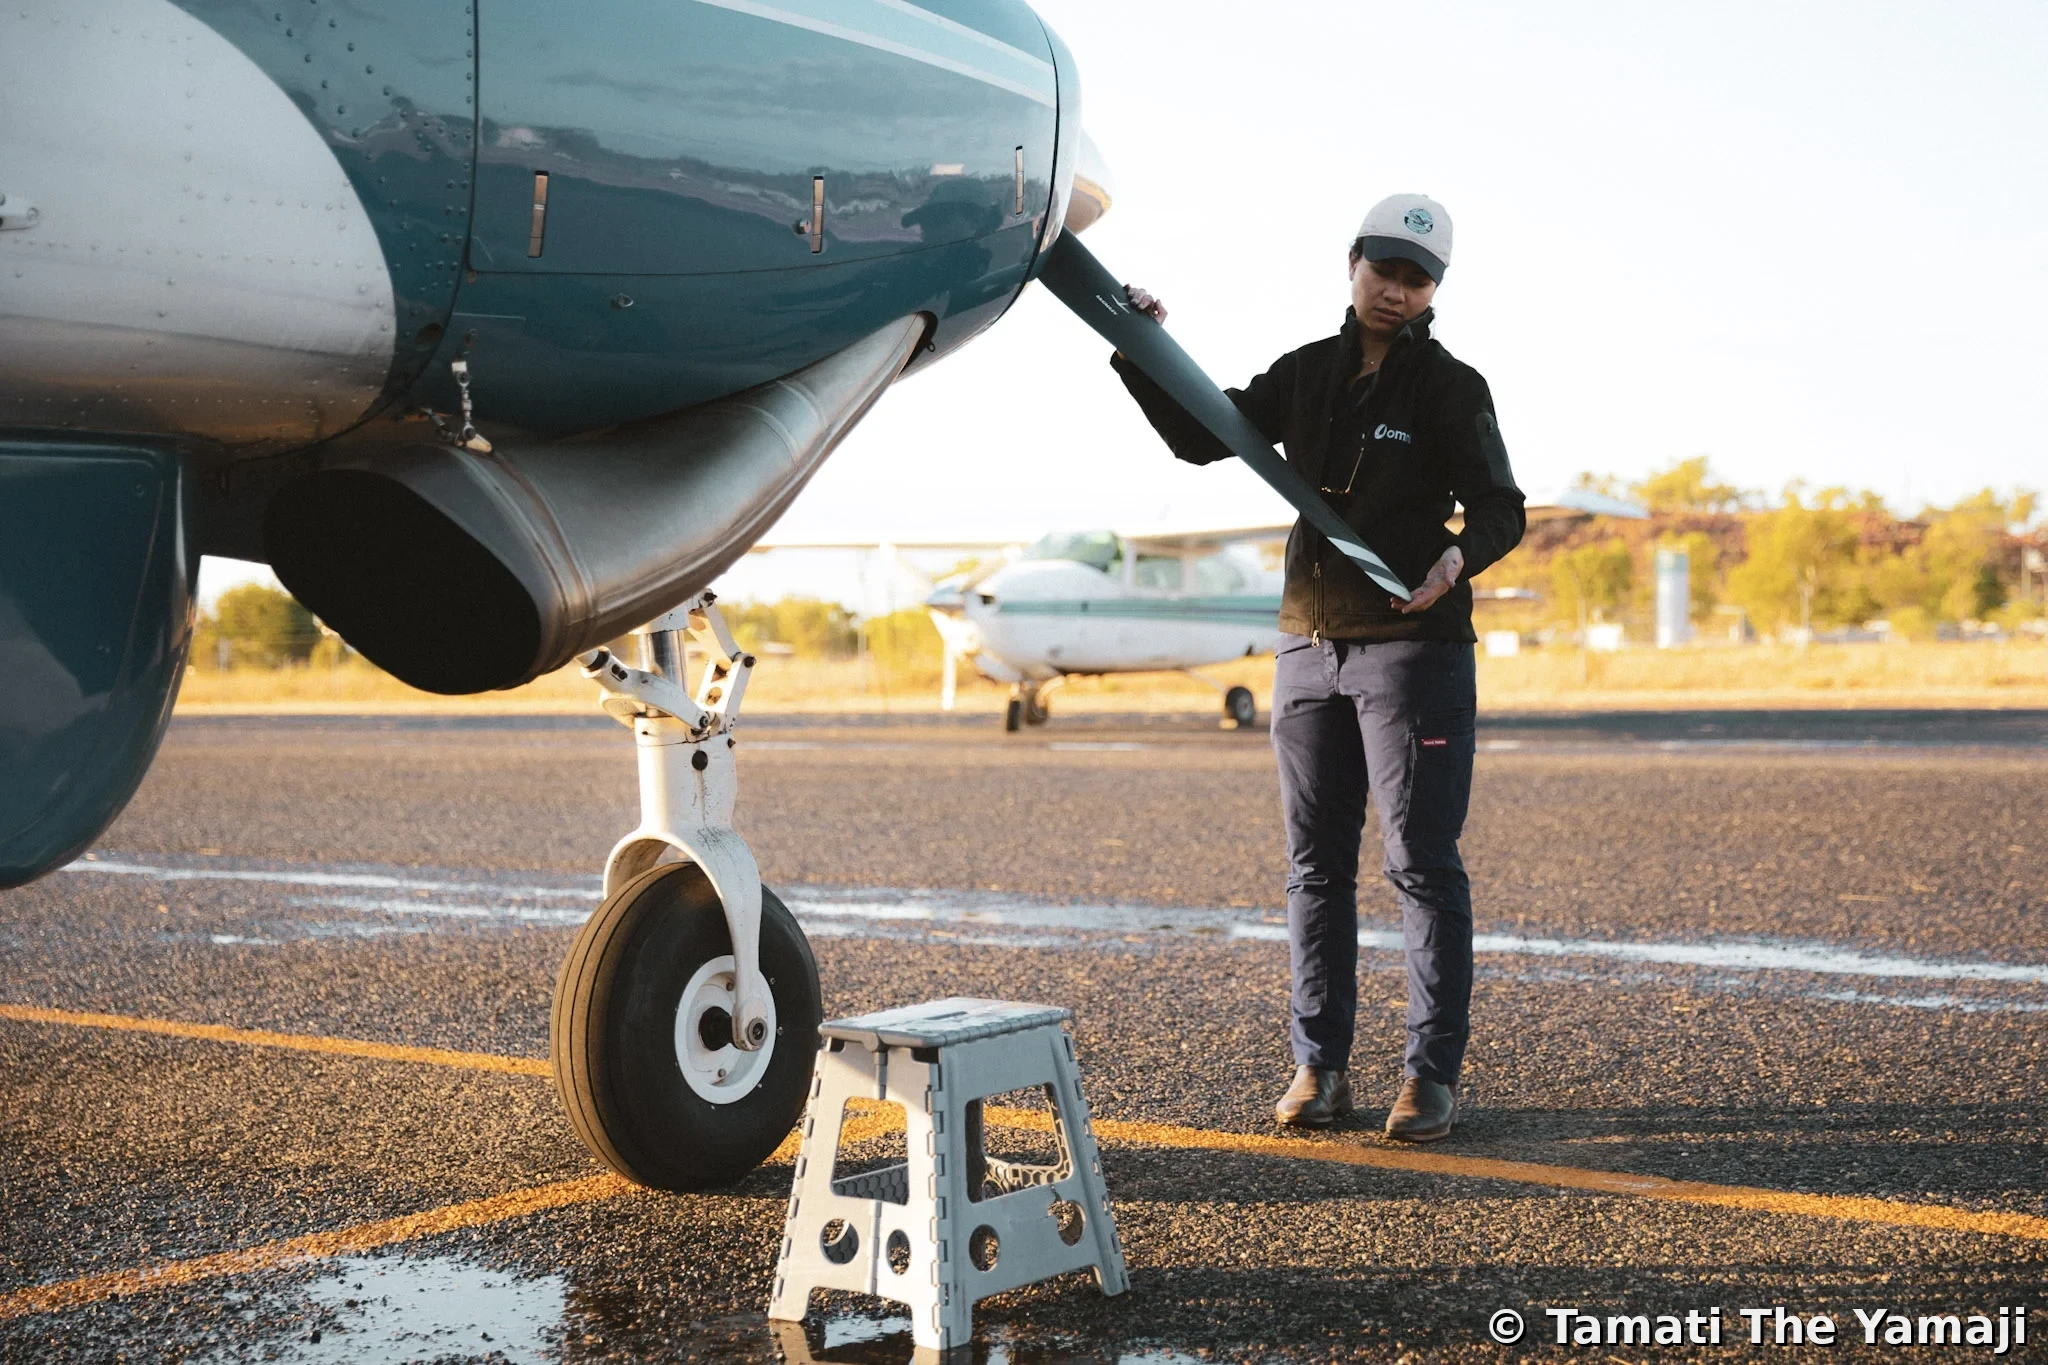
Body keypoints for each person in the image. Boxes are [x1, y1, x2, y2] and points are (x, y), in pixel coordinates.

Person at [1111, 193, 1525, 1141]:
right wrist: (1143, 348)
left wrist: (1458, 558)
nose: (1396, 291)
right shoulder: (1304, 374)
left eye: (1417, 279)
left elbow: (1503, 508)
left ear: (1435, 291)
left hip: (1414, 654)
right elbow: (1199, 435)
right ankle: (1320, 1068)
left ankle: (1430, 1073)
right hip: (1306, 648)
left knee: (1420, 863)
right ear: (1353, 263)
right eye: (1384, 270)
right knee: (1313, 870)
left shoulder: (1452, 389)